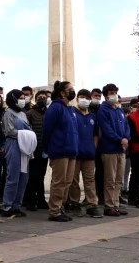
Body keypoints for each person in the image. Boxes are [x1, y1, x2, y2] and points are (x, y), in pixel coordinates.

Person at [43, 81, 79, 222]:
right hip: (59, 150)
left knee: (67, 182)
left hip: (71, 151)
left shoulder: (70, 109)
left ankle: (60, 207)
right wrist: (48, 148)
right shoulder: (55, 108)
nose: (73, 91)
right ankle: (54, 211)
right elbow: (47, 131)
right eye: (70, 89)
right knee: (59, 182)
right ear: (62, 93)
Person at [1, 89, 36, 217]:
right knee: (13, 176)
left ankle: (17, 205)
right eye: (20, 97)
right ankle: (7, 205)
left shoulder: (23, 114)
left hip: (24, 146)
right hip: (14, 144)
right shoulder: (8, 113)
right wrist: (25, 134)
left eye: (24, 97)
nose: (23, 100)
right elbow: (9, 131)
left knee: (23, 177)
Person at [67, 89, 102, 218]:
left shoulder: (93, 116)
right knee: (74, 180)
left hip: (89, 154)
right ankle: (75, 204)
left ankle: (92, 205)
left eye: (87, 98)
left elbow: (95, 135)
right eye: (82, 97)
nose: (84, 100)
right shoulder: (72, 113)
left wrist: (94, 147)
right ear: (77, 99)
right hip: (75, 154)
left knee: (90, 180)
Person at [97, 83, 130, 217]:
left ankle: (115, 204)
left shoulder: (119, 110)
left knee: (119, 179)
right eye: (111, 93)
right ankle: (109, 205)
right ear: (105, 95)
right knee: (110, 179)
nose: (113, 95)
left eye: (115, 92)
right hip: (109, 149)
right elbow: (106, 129)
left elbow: (127, 127)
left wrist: (126, 138)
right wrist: (119, 139)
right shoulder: (103, 110)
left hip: (121, 149)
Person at [23, 90, 50, 211]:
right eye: (39, 97)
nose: (42, 99)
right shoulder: (30, 113)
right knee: (32, 177)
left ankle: (41, 200)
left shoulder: (49, 113)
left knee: (41, 176)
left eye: (44, 97)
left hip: (44, 150)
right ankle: (30, 200)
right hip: (33, 150)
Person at [89, 88, 105, 206]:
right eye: (95, 95)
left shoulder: (102, 110)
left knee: (100, 173)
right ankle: (89, 198)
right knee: (88, 174)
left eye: (99, 96)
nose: (97, 98)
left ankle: (101, 197)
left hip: (101, 146)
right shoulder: (86, 109)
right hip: (87, 145)